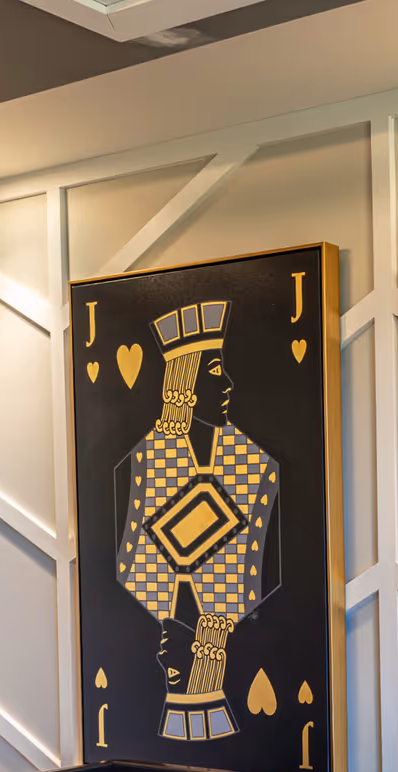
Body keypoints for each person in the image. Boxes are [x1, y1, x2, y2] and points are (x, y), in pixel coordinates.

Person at [116, 300, 279, 741]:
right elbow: (134, 560)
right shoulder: (150, 461)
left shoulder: (252, 465)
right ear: (183, 383)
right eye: (212, 372)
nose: (227, 384)